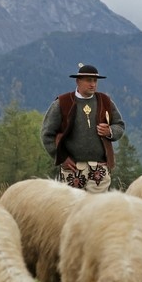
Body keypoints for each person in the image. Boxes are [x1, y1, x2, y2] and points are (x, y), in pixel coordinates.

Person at [41, 63, 125, 193]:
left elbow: (119, 125)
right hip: (73, 168)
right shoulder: (62, 103)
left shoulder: (105, 101)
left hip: (100, 168)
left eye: (95, 81)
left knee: (98, 208)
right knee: (72, 208)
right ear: (78, 81)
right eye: (88, 80)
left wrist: (110, 131)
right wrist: (60, 157)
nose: (93, 84)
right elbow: (47, 134)